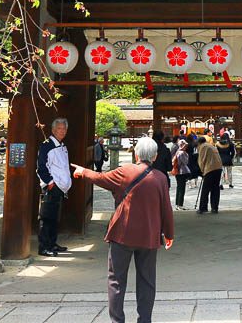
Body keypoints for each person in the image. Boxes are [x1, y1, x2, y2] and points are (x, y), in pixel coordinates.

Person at [73, 136, 174, 323]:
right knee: (147, 281)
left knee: (116, 280)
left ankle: (117, 320)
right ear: (155, 156)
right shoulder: (160, 178)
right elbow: (166, 208)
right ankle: (145, 320)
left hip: (122, 234)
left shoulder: (125, 171)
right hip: (149, 236)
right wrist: (168, 233)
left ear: (136, 153)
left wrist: (83, 171)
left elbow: (101, 178)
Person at [36, 117, 72, 256]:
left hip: (61, 187)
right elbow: (41, 167)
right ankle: (44, 247)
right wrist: (50, 183)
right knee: (46, 218)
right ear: (53, 129)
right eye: (59, 129)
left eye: (64, 129)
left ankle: (52, 243)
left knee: (55, 217)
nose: (62, 131)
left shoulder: (62, 146)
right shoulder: (46, 145)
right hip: (52, 186)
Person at [197, 136, 222, 214]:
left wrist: (202, 171)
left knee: (205, 189)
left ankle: (203, 208)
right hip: (218, 168)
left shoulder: (203, 147)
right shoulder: (211, 146)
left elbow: (202, 160)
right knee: (215, 188)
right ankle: (215, 208)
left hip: (210, 169)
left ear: (199, 143)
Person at [173, 139, 191, 209]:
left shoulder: (177, 152)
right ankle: (180, 204)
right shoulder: (182, 153)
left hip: (177, 171)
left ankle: (177, 204)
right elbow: (185, 162)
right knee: (182, 188)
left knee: (179, 188)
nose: (186, 147)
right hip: (182, 172)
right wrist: (187, 155)